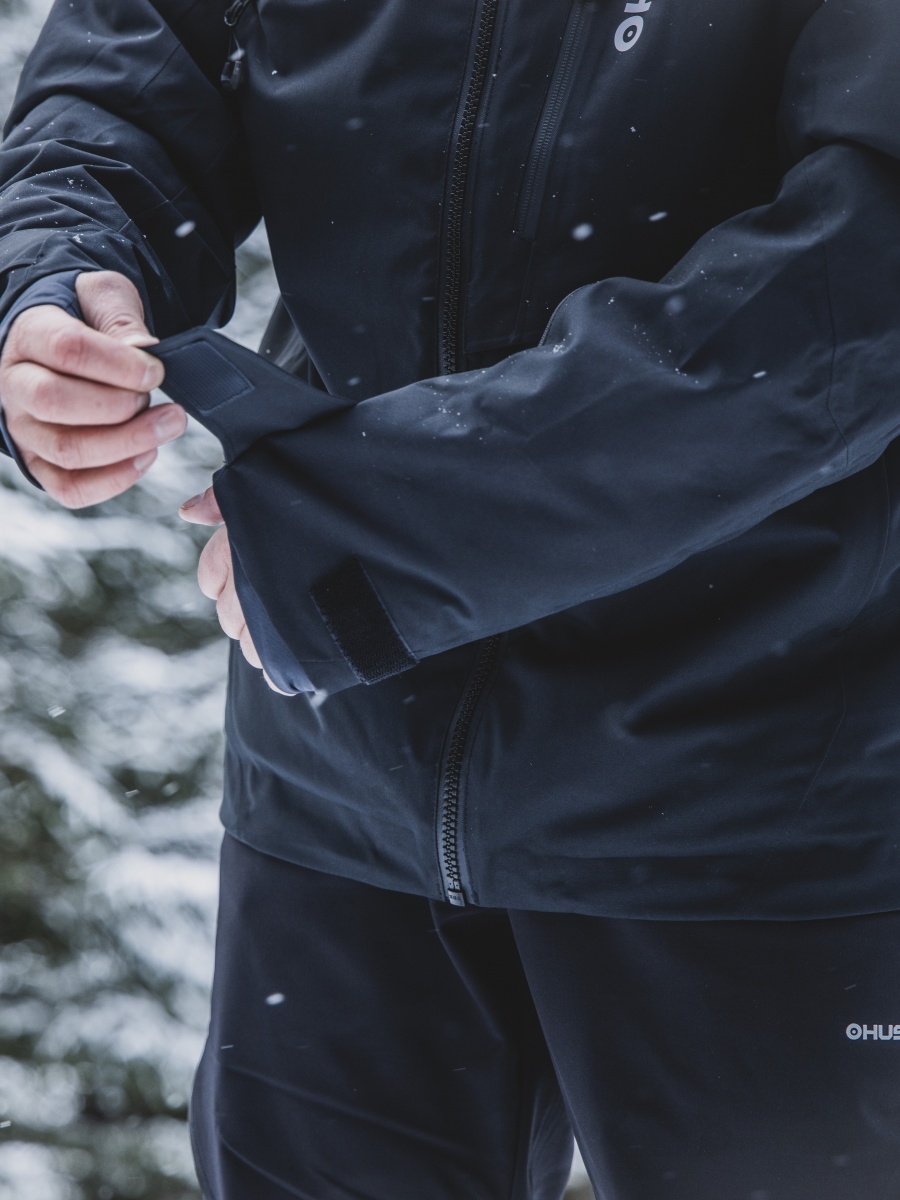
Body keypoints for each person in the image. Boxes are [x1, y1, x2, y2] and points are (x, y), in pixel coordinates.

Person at [2, 0, 900, 1196]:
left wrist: (401, 526)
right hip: (339, 783)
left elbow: (858, 278)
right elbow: (144, 55)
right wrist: (58, 275)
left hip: (757, 801)